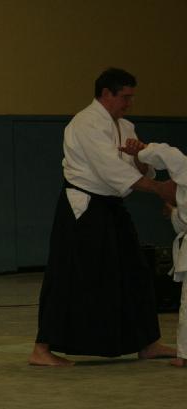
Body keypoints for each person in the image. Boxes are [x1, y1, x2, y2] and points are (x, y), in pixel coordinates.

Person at [30, 68, 177, 367]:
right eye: (125, 97)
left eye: (132, 97)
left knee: (135, 269)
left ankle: (148, 342)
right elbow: (109, 169)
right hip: (82, 206)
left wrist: (139, 157)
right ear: (107, 93)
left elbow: (138, 168)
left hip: (112, 205)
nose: (129, 103)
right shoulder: (85, 123)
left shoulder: (126, 126)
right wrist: (159, 189)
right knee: (69, 273)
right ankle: (41, 348)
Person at [126, 141, 187, 368]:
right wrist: (173, 212)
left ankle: (185, 355)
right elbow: (182, 224)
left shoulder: (184, 172)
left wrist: (141, 151)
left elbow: (167, 153)